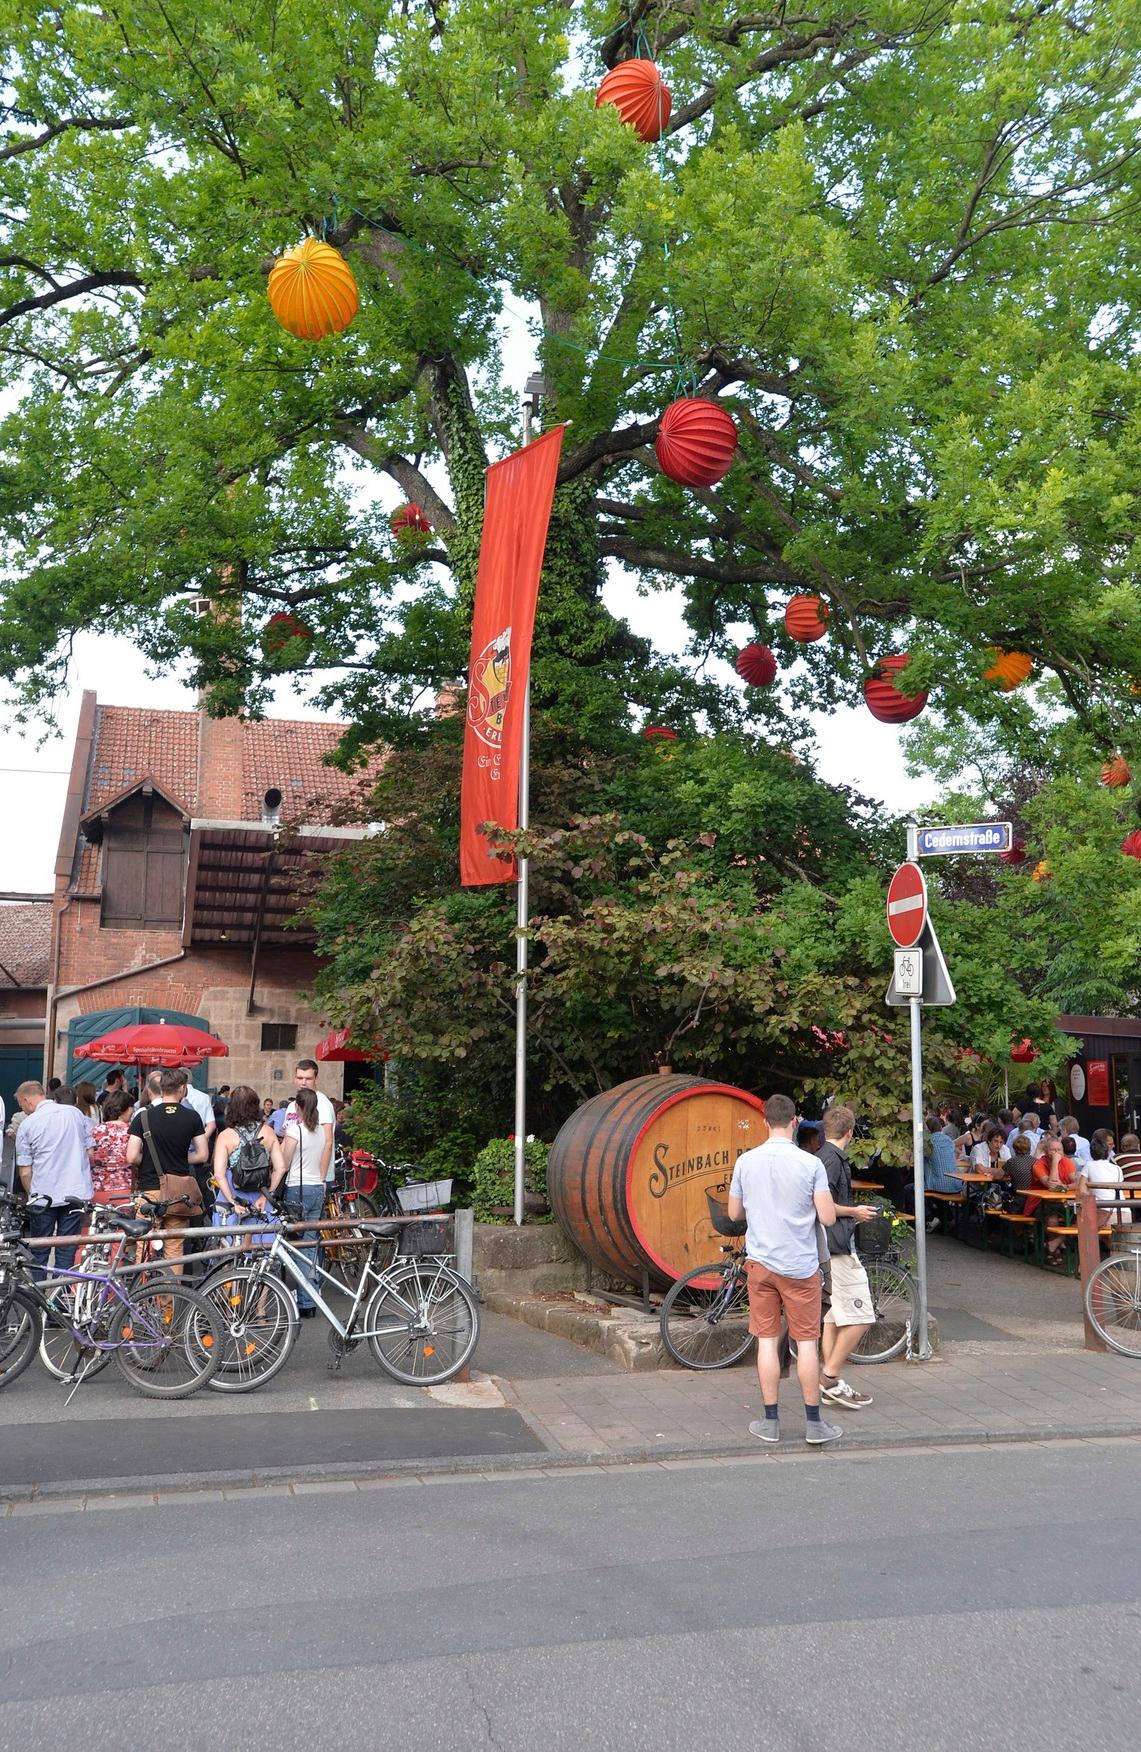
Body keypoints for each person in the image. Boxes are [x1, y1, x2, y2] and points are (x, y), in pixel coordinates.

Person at [726, 1092, 841, 1447]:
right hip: (800, 1267)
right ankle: (814, 1424)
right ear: (794, 1122)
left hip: (761, 1264)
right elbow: (827, 1217)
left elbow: (734, 1215)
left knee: (766, 1341)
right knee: (807, 1344)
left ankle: (770, 1421)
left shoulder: (746, 1162)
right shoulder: (811, 1165)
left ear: (765, 1122)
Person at [817, 1104, 876, 1411]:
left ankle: (830, 1381)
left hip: (827, 1246)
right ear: (850, 1132)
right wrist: (854, 1211)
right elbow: (822, 1204)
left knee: (833, 1317)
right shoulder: (831, 1160)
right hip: (836, 1247)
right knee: (862, 1315)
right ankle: (829, 1376)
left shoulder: (823, 1156)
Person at [125, 1069, 207, 1275]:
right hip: (178, 1194)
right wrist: (181, 1158)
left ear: (161, 1090)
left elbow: (131, 1156)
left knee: (143, 1247)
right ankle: (169, 1305)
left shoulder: (143, 1117)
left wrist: (151, 1161)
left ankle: (141, 1300)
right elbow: (202, 1155)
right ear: (182, 1089)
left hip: (150, 1191)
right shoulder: (192, 1117)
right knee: (174, 1251)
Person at [14, 1080, 95, 1277]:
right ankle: (60, 1300)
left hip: (43, 1194)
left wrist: (31, 1195)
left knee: (39, 1250)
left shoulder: (27, 1124)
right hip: (75, 1192)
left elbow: (25, 1171)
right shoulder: (76, 1114)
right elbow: (90, 1153)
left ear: (27, 1100)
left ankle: (38, 1299)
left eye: (21, 1105)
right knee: (66, 1248)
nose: (23, 1109)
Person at [212, 1085, 286, 1233]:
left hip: (234, 1194)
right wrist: (267, 1196)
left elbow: (219, 1174)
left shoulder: (225, 1136)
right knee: (262, 1245)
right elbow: (281, 1168)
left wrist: (233, 1202)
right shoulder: (269, 1132)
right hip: (261, 1194)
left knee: (231, 1247)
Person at [281, 1087, 327, 1315]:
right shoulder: (320, 1132)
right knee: (310, 1246)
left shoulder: (294, 1132)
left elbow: (284, 1162)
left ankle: (306, 1300)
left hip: (297, 1190)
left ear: (297, 1107)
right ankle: (310, 1298)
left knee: (296, 1248)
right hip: (317, 1186)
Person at [285, 1059, 335, 1184]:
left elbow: (328, 1142)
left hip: (315, 1178)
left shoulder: (322, 1104)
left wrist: (322, 1179)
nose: (303, 1083)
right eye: (300, 1078)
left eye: (308, 1079)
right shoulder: (292, 1105)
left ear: (316, 1079)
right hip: (293, 1176)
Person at [90, 1089, 135, 1204]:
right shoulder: (132, 1132)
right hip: (125, 1190)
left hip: (97, 1190)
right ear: (126, 1109)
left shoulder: (95, 1131)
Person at [1078, 1135, 1130, 1230]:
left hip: (1105, 1214)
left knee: (1083, 1227)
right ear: (1107, 1152)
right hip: (1125, 1212)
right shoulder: (1117, 1168)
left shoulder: (1089, 1165)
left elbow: (1081, 1192)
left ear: (1091, 1152)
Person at [923, 1112, 961, 1229]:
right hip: (956, 1184)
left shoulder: (928, 1143)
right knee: (936, 1194)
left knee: (909, 1189)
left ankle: (930, 1217)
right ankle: (945, 1218)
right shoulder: (949, 1140)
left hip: (936, 1184)